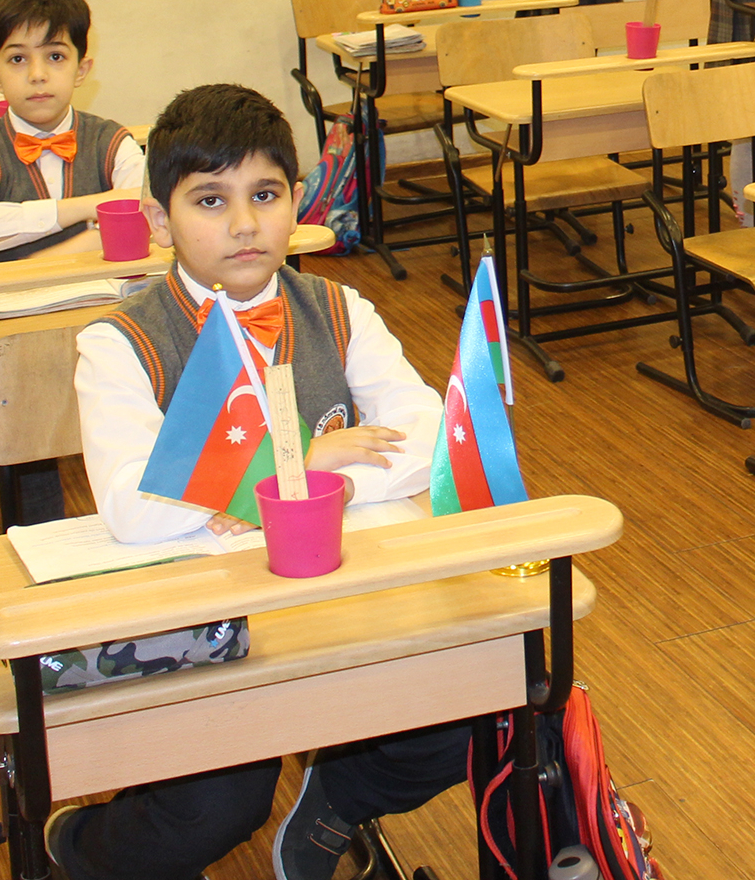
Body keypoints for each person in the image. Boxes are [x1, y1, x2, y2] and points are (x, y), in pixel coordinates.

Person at [56, 83, 462, 880]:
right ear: (160, 218)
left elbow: (428, 436)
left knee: (469, 708)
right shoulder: (119, 341)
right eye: (211, 200)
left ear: (296, 200)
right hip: (201, 614)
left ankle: (335, 800)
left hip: (342, 589)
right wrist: (310, 460)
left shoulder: (339, 308)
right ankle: (79, 845)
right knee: (217, 805)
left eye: (265, 194)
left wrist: (269, 492)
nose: (243, 223)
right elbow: (135, 506)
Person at [0, 0, 143, 262]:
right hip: (8, 290)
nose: (37, 74)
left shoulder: (112, 141)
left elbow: (144, 215)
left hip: (103, 288)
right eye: (18, 59)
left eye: (55, 56)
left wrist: (39, 264)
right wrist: (93, 206)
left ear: (81, 70)